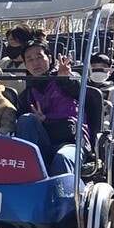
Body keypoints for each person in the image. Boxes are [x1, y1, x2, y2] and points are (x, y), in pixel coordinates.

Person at [15, 40, 87, 176]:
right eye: (29, 59)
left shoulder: (65, 78)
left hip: (70, 142)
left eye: (39, 57)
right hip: (44, 143)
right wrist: (40, 120)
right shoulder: (27, 95)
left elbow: (76, 88)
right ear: (25, 65)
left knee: (62, 157)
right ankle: (29, 179)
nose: (35, 63)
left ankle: (63, 196)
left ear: (49, 58)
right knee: (26, 119)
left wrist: (65, 78)